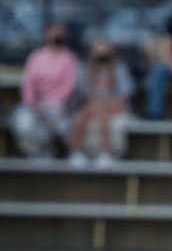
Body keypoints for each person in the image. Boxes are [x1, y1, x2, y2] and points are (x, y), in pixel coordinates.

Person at [9, 22, 78, 159]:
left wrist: (48, 101)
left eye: (60, 32)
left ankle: (49, 151)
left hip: (58, 104)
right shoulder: (36, 56)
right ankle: (36, 152)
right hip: (33, 103)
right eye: (53, 32)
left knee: (53, 119)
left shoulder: (69, 59)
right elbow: (28, 83)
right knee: (23, 121)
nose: (56, 35)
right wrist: (32, 101)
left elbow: (68, 87)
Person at [67, 38, 135, 169]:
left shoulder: (120, 69)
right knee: (80, 117)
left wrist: (103, 105)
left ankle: (107, 154)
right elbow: (82, 96)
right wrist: (94, 105)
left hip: (114, 107)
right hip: (91, 106)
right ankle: (75, 153)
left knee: (103, 116)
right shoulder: (85, 69)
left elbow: (124, 98)